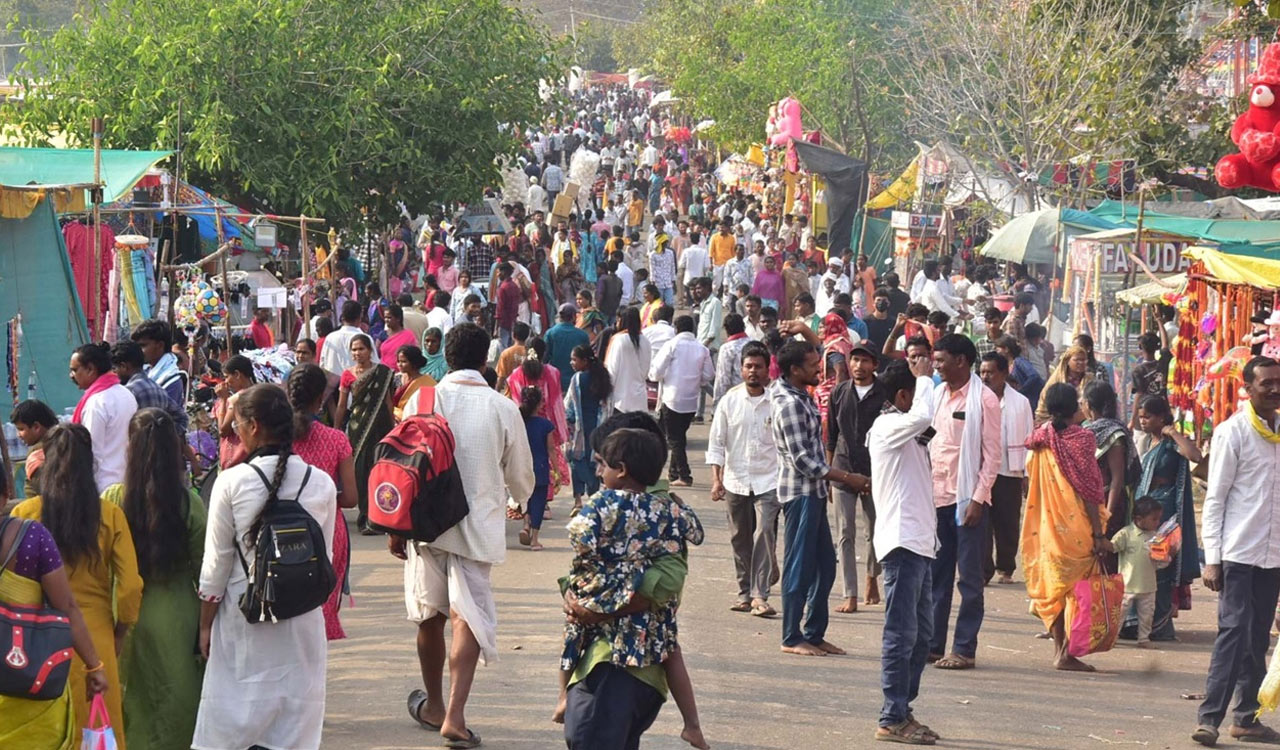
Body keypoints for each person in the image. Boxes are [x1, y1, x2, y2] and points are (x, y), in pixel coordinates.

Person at [398, 323, 535, 748]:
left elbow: (403, 464)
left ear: (446, 357)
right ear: (484, 362)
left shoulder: (423, 399)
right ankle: (454, 717)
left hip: (425, 527)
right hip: (477, 528)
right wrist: (520, 501)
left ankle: (435, 705)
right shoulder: (502, 407)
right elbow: (521, 477)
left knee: (429, 616)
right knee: (467, 619)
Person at [194, 384, 338, 750]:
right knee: (295, 730)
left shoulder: (230, 482)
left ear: (254, 426)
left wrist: (205, 625)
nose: (234, 430)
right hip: (302, 622)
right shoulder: (320, 482)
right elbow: (326, 562)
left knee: (231, 725)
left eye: (237, 423)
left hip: (245, 617)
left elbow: (216, 566)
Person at [558, 427, 708, 750]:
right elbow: (695, 532)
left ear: (621, 469)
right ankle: (691, 724)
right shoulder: (667, 508)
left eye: (603, 465)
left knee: (573, 633)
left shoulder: (603, 504)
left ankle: (561, 698)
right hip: (648, 645)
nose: (599, 472)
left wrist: (607, 561)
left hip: (610, 653)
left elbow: (578, 536)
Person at [10, 423, 143, 746]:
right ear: (90, 463)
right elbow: (129, 589)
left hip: (38, 645)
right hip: (96, 643)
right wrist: (120, 634)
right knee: (99, 734)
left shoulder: (25, 514)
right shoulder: (110, 515)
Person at [104, 408, 206, 750]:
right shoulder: (188, 504)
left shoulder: (113, 501)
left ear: (130, 446)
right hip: (177, 616)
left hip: (123, 616)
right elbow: (207, 570)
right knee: (178, 701)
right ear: (173, 449)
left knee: (130, 701)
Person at [1193, 357, 1280, 746]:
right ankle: (1209, 718)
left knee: (1258, 635)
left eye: (1279, 382)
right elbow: (1216, 499)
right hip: (1238, 553)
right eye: (1267, 384)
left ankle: (1245, 718)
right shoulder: (1234, 432)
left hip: (1274, 555)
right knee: (1232, 631)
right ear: (1248, 388)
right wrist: (1212, 558)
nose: (1275, 389)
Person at [771, 340, 869, 657]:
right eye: (813, 365)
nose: (820, 369)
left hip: (813, 492)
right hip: (800, 494)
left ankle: (813, 633)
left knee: (825, 566)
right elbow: (803, 461)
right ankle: (790, 636)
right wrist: (844, 477)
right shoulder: (789, 404)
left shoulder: (803, 396)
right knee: (799, 568)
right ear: (795, 370)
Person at [867, 359, 943, 745]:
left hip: (920, 542)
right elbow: (924, 414)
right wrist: (925, 375)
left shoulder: (906, 429)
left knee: (921, 634)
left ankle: (902, 709)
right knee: (901, 633)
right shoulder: (887, 426)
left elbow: (932, 421)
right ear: (902, 396)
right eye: (912, 394)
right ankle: (891, 715)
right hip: (901, 542)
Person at [1021, 383, 1111, 672]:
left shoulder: (1037, 440)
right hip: (1076, 529)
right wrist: (1098, 533)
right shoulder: (1082, 440)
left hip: (1045, 526)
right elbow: (1089, 490)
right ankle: (1066, 651)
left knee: (1056, 586)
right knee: (1077, 588)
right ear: (1075, 407)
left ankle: (1061, 649)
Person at [0, 514, 110, 749]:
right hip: (32, 684)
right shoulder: (32, 536)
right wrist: (94, 666)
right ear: (7, 491)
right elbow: (67, 606)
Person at [927, 334, 1001, 670]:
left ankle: (964, 649)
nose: (936, 366)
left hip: (968, 500)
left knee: (969, 580)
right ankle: (932, 645)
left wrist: (978, 498)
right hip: (937, 498)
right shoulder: (936, 396)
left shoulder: (984, 400)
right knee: (937, 577)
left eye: (941, 360)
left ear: (961, 361)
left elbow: (992, 455)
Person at [288, 364, 358, 641]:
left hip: (283, 530)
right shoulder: (337, 439)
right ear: (321, 398)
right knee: (319, 613)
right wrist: (323, 499)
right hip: (328, 531)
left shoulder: (274, 438)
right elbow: (351, 499)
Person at [1132, 394, 1202, 642]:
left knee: (1161, 566)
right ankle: (1137, 622)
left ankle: (1159, 625)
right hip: (1144, 507)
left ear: (1161, 417)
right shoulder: (1146, 441)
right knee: (1141, 566)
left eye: (1148, 417)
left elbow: (1195, 456)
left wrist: (1173, 433)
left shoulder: (1170, 443)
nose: (1143, 421)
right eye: (1140, 417)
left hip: (1165, 513)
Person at [825, 339, 887, 612]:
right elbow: (831, 436)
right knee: (845, 533)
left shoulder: (886, 394)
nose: (858, 366)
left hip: (876, 472)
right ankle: (849, 593)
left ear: (875, 365)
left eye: (864, 361)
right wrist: (829, 474)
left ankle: (872, 578)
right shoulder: (839, 392)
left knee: (875, 532)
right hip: (842, 469)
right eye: (854, 360)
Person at [977, 352, 1032, 585]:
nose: (986, 377)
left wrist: (1028, 475)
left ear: (1003, 373)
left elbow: (1030, 438)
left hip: (1010, 470)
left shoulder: (1020, 402)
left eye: (990, 372)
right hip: (981, 471)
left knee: (1008, 521)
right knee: (982, 522)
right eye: (982, 372)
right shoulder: (974, 400)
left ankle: (1006, 567)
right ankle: (984, 569)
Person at [334, 333, 396, 534]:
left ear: (370, 351)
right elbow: (342, 406)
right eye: (354, 349)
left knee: (379, 471)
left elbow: (387, 402)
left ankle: (381, 518)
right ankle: (366, 518)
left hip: (380, 427)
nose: (357, 353)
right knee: (360, 472)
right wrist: (336, 429)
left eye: (361, 348)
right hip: (357, 428)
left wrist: (394, 429)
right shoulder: (347, 375)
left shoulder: (383, 373)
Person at [650, 315, 714, 487]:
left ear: (676, 329)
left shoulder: (672, 345)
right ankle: (673, 473)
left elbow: (656, 371)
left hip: (672, 398)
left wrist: (660, 377)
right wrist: (696, 380)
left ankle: (685, 475)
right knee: (678, 436)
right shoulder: (702, 349)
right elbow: (709, 374)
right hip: (691, 401)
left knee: (674, 439)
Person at [1082, 381, 1141, 567]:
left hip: (1108, 500)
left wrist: (1108, 513)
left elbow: (1117, 478)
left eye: (1083, 401)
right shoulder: (1085, 430)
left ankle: (1106, 596)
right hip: (1088, 500)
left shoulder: (1114, 434)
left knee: (1106, 556)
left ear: (1089, 405)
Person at [69, 342, 138, 492]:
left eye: (75, 370)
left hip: (104, 488)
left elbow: (91, 453)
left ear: (90, 369)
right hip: (128, 483)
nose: (71, 376)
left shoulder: (96, 403)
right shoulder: (126, 394)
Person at [565, 344, 612, 510]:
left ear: (584, 361)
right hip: (598, 429)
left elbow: (569, 405)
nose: (572, 363)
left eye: (574, 359)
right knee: (594, 465)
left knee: (576, 462)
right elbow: (608, 405)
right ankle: (593, 498)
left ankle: (578, 500)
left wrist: (567, 423)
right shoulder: (604, 377)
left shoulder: (578, 379)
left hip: (580, 428)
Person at [110, 340, 190, 438]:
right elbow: (182, 418)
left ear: (124, 366)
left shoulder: (128, 392)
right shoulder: (158, 388)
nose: (114, 373)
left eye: (115, 369)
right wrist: (166, 439)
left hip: (136, 450)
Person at [1111, 496, 1163, 648]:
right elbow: (1113, 547)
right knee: (1119, 614)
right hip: (1127, 585)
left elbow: (1161, 562)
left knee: (1147, 616)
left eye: (1158, 519)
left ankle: (1144, 639)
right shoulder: (1126, 534)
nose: (1157, 523)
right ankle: (1112, 638)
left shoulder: (1156, 537)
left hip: (1148, 585)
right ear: (1139, 519)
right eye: (1154, 519)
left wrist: (1168, 555)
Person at [518, 387, 557, 551]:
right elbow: (551, 449)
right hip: (540, 468)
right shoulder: (545, 425)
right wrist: (557, 470)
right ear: (540, 404)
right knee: (539, 502)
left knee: (524, 498)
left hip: (521, 466)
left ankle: (525, 524)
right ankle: (534, 540)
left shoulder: (518, 422)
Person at [604, 307, 653, 413]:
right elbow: (646, 372)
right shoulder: (646, 341)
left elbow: (612, 371)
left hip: (620, 400)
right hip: (640, 399)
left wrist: (606, 393)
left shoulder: (618, 340)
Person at [132, 319, 186, 407]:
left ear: (160, 345)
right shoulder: (145, 370)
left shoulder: (171, 380)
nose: (138, 350)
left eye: (143, 345)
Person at [214, 354, 255, 470]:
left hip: (238, 459)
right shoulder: (257, 392)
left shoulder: (239, 397)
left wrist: (223, 400)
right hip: (252, 456)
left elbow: (223, 430)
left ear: (237, 374)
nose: (226, 382)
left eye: (227, 377)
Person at [10, 398, 57, 495]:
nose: (18, 435)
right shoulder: (64, 443)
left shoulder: (38, 453)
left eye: (21, 429)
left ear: (36, 427)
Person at [692, 276, 723, 422]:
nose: (697, 291)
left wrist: (705, 345)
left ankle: (721, 404)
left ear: (707, 288)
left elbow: (715, 327)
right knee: (702, 380)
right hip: (701, 345)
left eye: (700, 288)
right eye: (696, 288)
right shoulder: (704, 303)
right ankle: (699, 413)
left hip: (708, 346)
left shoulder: (715, 303)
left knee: (705, 381)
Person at [321, 301, 379, 375]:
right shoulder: (365, 338)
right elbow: (374, 365)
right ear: (360, 317)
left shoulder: (330, 338)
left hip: (335, 383)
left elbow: (322, 365)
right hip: (357, 382)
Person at [546, 303, 591, 391]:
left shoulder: (550, 333)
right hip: (577, 382)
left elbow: (545, 357)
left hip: (555, 381)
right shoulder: (583, 335)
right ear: (574, 317)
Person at [996, 336, 1045, 411]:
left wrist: (1021, 391)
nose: (997, 351)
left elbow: (1034, 376)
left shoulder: (1019, 362)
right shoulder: (1007, 365)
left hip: (1031, 401)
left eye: (998, 348)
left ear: (1006, 349)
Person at [1129, 332, 1166, 429]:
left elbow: (1138, 395)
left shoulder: (1138, 371)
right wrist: (1159, 321)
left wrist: (1132, 420)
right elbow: (1165, 347)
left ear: (1141, 347)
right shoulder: (1162, 365)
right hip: (1160, 415)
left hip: (1145, 416)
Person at [392, 345, 437, 421]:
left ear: (414, 362)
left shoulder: (427, 382)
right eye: (398, 361)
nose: (399, 364)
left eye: (404, 361)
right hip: (393, 420)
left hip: (415, 422)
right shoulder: (396, 379)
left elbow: (426, 409)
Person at [714, 313, 750, 401]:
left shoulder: (727, 348)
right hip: (754, 391)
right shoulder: (753, 342)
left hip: (736, 395)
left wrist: (717, 402)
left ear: (727, 329)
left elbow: (723, 378)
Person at [495, 322, 531, 395]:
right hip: (528, 396)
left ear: (513, 335)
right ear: (527, 336)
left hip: (510, 396)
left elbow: (501, 378)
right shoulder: (531, 353)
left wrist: (496, 393)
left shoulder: (506, 353)